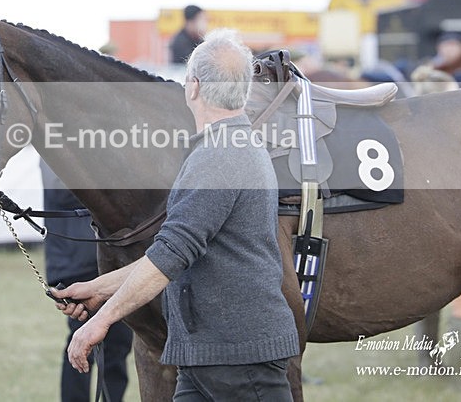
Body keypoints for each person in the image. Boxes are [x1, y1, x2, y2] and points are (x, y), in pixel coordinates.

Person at [54, 29, 300, 400]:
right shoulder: (227, 146)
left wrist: (98, 324)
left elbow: (169, 256)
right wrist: (96, 289)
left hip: (240, 362)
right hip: (205, 359)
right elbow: (173, 253)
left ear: (194, 87)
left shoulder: (218, 156)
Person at [40, 159, 133, 402]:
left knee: (119, 344)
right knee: (81, 345)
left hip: (110, 260)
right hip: (77, 262)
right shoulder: (56, 151)